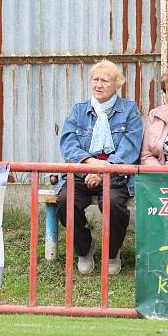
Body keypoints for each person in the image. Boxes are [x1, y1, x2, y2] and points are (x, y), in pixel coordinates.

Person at [56, 60, 143, 276]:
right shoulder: (78, 110)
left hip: (115, 174)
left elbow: (130, 148)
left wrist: (105, 169)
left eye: (104, 80)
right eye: (95, 79)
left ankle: (112, 253)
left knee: (114, 204)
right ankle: (84, 249)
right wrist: (91, 164)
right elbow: (68, 143)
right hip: (83, 171)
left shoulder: (130, 110)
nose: (98, 84)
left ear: (117, 84)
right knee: (66, 201)